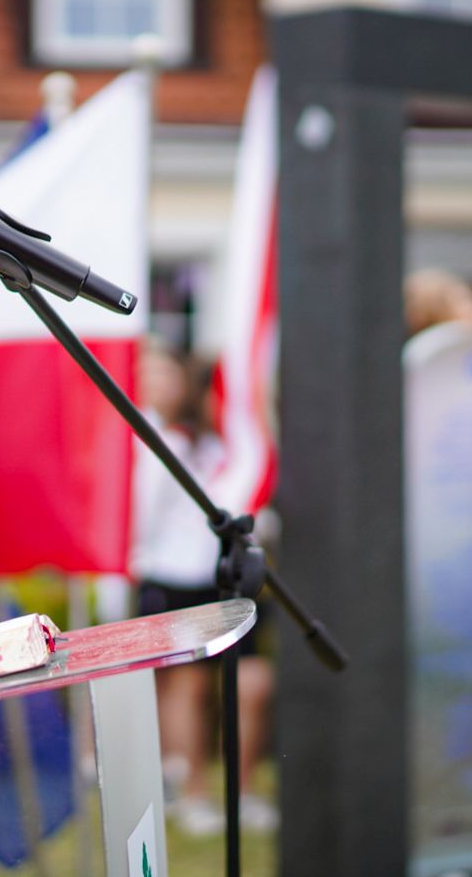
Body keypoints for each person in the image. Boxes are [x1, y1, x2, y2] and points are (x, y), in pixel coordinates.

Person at [130, 343, 276, 837]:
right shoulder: (172, 444)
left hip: (229, 579)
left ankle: (243, 791)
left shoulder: (239, 450)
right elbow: (141, 520)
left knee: (251, 684)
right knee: (189, 687)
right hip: (176, 579)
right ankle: (193, 792)